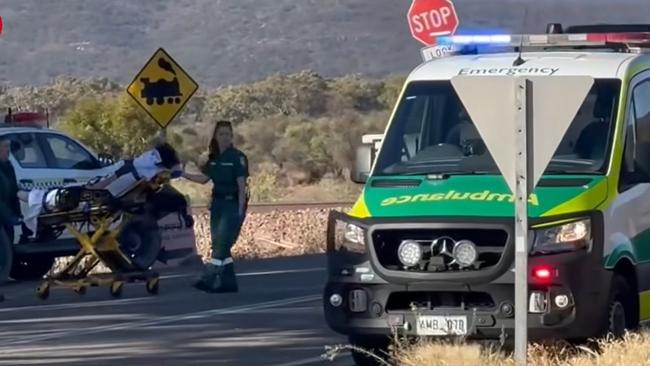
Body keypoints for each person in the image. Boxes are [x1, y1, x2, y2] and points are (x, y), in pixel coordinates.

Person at [182, 120, 249, 293]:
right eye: (221, 134)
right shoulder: (213, 158)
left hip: (231, 203)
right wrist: (183, 174)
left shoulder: (237, 157)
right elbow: (204, 179)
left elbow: (242, 185)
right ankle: (228, 282)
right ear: (215, 136)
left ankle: (209, 277)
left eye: (227, 134)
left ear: (232, 136)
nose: (224, 137)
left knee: (221, 243)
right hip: (217, 204)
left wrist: (241, 210)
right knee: (219, 241)